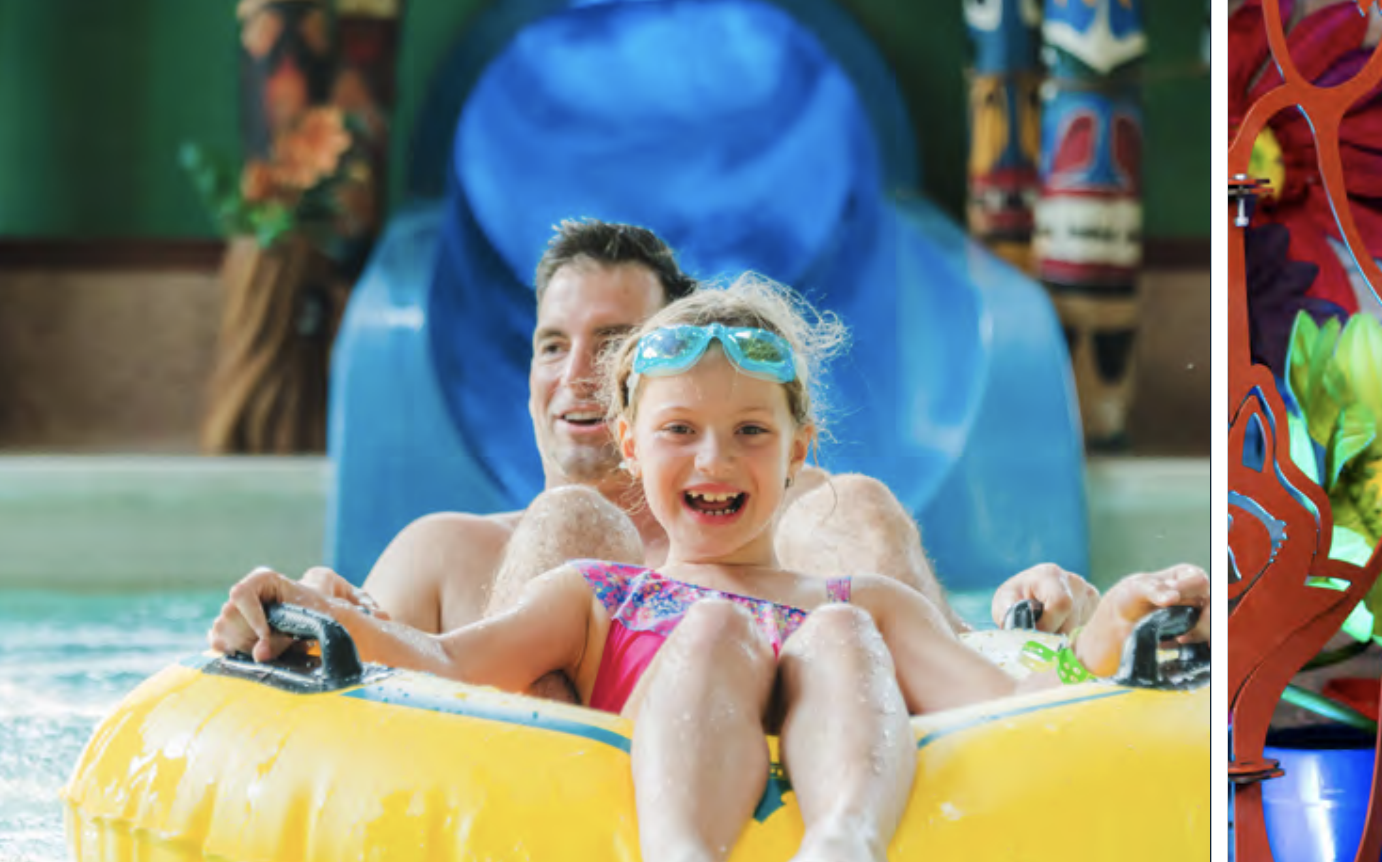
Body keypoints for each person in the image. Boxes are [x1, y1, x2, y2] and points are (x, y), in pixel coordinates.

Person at [211, 276, 1209, 862]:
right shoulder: (599, 598)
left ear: (799, 448)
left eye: (748, 433)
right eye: (680, 431)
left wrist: (1121, 621)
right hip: (671, 759)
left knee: (842, 630)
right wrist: (311, 615)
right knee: (714, 627)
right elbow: (445, 658)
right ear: (634, 454)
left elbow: (1018, 700)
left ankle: (844, 841)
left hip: (846, 742)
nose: (716, 461)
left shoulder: (864, 602)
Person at [305, 220, 1095, 678]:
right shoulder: (444, 553)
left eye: (613, 344)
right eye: (552, 346)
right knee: (572, 525)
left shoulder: (808, 522)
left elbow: (969, 672)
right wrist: (313, 612)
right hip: (539, 817)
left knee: (849, 503)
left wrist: (1044, 627)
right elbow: (345, 715)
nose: (576, 374)